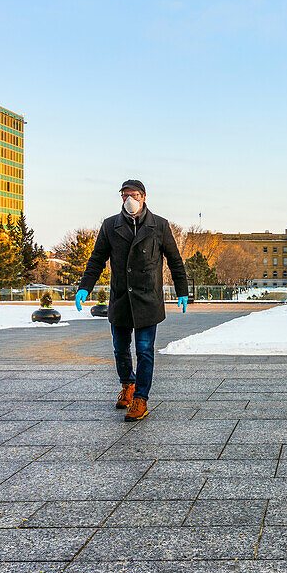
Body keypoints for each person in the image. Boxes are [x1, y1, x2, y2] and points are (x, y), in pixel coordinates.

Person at [75, 179, 189, 422]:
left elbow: (175, 260)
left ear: (144, 197)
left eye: (134, 194)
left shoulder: (159, 225)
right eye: (125, 195)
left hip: (148, 298)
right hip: (121, 297)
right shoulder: (110, 226)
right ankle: (128, 383)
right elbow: (97, 259)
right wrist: (85, 287)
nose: (129, 199)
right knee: (120, 349)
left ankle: (141, 398)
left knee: (145, 351)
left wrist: (182, 290)